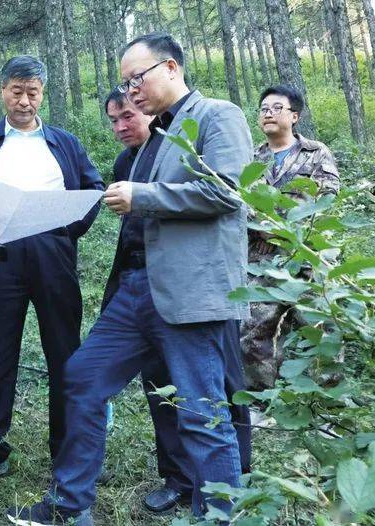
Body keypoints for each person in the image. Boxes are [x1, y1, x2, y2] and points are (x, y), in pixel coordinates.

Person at [9, 33, 252, 525]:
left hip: (188, 293)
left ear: (170, 67)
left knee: (202, 411)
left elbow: (229, 191)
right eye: (124, 82)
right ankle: (70, 505)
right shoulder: (154, 135)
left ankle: (222, 515)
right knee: (82, 378)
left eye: (136, 78)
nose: (131, 90)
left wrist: (143, 196)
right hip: (136, 293)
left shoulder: (216, 115)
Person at [104, 90, 252, 515]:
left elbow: (225, 193)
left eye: (129, 114)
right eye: (113, 120)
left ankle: (232, 484)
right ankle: (179, 478)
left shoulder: (199, 129)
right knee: (161, 388)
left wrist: (144, 197)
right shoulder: (125, 163)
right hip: (143, 287)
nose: (121, 127)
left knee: (216, 391)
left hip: (197, 289)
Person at [0, 55, 105, 488]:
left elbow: (93, 187)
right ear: (2, 90)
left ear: (43, 94)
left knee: (64, 351)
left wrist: (69, 231)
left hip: (52, 253)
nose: (24, 101)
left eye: (33, 92)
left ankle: (67, 448)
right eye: (16, 92)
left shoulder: (65, 142)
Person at [241, 85, 340, 390]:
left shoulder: (316, 152)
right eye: (263, 109)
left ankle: (327, 403)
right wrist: (261, 223)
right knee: (253, 333)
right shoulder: (252, 158)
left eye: (276, 107)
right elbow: (240, 201)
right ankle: (261, 400)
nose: (268, 113)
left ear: (294, 116)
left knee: (322, 329)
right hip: (261, 260)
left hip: (307, 256)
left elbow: (326, 197)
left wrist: (284, 223)